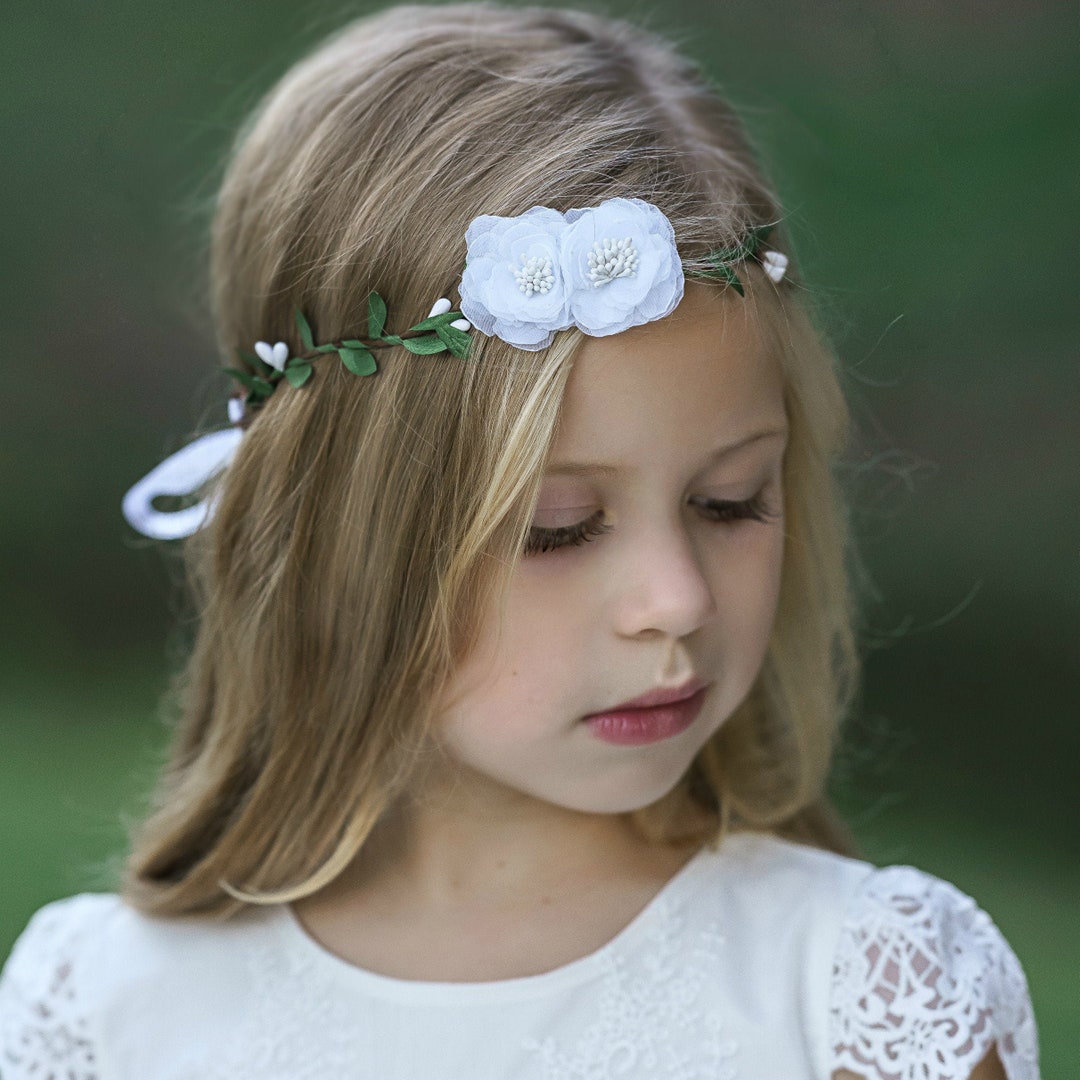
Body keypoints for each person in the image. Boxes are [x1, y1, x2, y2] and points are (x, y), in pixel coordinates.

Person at [0, 5, 1039, 1078]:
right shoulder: (107, 1010)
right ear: (329, 537)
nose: (675, 601)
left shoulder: (865, 992)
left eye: (729, 501)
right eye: (556, 530)